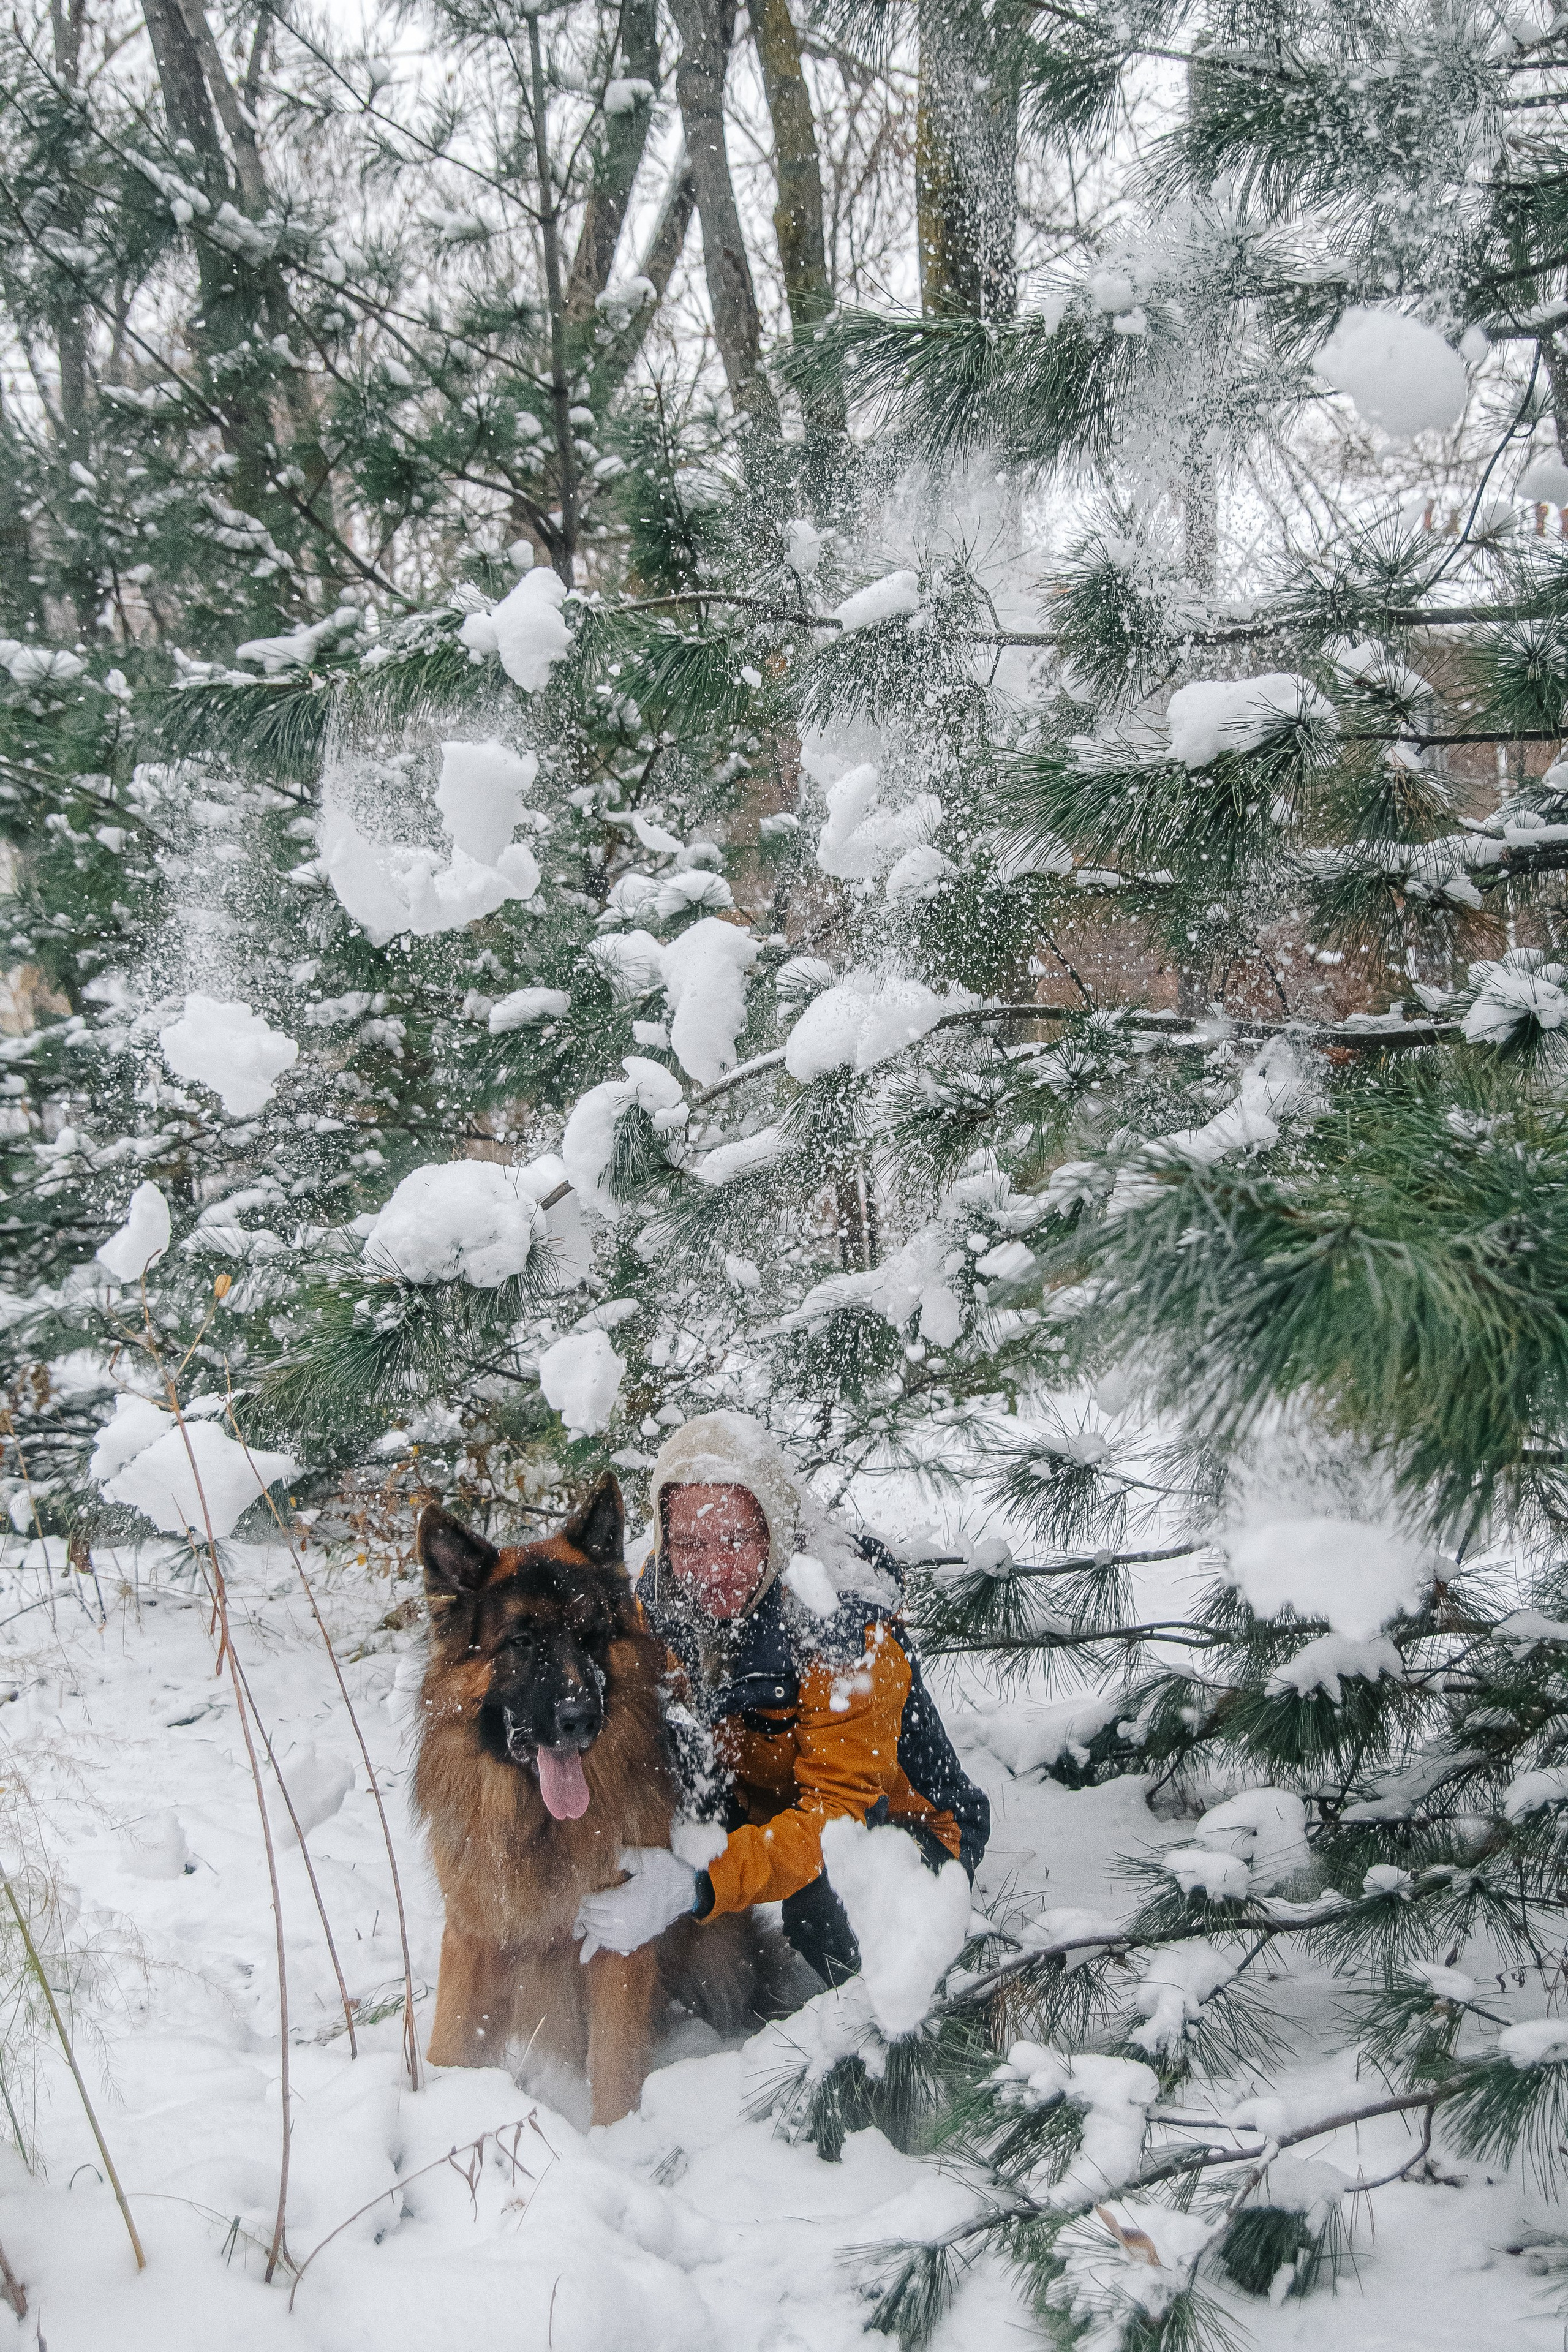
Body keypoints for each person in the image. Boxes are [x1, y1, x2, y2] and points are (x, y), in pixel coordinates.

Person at [574, 1412, 989, 1987]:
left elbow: (841, 1813)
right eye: (689, 1544)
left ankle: (913, 1996)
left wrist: (698, 1883)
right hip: (762, 1801)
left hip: (898, 1826)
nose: (712, 1570)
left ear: (774, 1527)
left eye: (737, 1539)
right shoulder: (660, 1603)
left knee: (828, 1912)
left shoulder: (844, 1634)